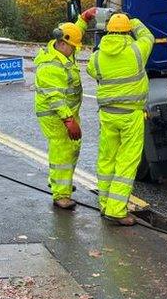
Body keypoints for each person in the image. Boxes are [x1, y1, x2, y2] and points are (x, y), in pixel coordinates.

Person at [86, 12, 153, 226]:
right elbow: (148, 36)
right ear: (127, 31)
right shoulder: (136, 51)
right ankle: (116, 210)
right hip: (130, 114)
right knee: (127, 161)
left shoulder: (97, 57)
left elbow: (90, 71)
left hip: (107, 115)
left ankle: (105, 204)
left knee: (107, 159)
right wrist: (134, 21)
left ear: (108, 31)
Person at [33, 12, 92, 209]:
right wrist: (68, 120)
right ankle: (61, 195)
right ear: (62, 44)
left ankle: (61, 183)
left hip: (67, 112)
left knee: (71, 149)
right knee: (62, 152)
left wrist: (83, 19)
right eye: (73, 48)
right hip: (55, 115)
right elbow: (55, 99)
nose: (74, 51)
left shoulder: (64, 49)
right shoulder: (51, 66)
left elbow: (73, 32)